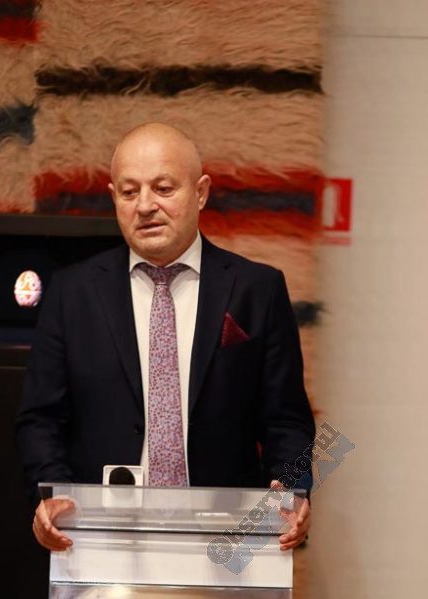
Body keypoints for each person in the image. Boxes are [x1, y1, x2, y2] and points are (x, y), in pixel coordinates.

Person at [16, 123, 315, 553]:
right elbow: (40, 418)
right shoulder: (72, 292)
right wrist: (50, 494)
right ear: (113, 197)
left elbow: (287, 419)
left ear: (201, 192)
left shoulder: (257, 290)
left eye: (163, 188)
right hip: (99, 540)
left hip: (227, 542)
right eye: (129, 192)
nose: (145, 206)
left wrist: (293, 490)